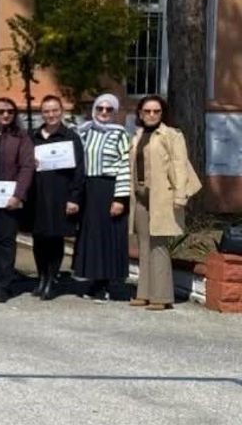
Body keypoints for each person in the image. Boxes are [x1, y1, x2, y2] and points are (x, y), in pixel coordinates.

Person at [129, 95, 202, 311]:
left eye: (156, 111)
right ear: (140, 113)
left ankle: (161, 297)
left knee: (159, 246)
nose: (152, 115)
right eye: (147, 111)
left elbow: (180, 165)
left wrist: (180, 197)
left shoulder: (172, 135)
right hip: (140, 196)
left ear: (162, 113)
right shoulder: (137, 135)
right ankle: (144, 293)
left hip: (162, 197)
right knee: (143, 245)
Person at [72, 94, 132, 302]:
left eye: (109, 109)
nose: (104, 112)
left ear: (114, 112)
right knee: (91, 236)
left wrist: (120, 198)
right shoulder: (84, 131)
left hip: (109, 188)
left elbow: (125, 165)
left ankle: (105, 284)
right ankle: (93, 279)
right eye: (100, 108)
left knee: (107, 236)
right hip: (88, 188)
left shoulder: (120, 134)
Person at [26, 96, 85, 300]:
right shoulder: (33, 136)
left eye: (54, 110)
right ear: (41, 113)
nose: (51, 115)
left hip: (60, 195)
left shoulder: (71, 137)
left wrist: (74, 198)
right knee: (38, 238)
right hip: (37, 195)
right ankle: (41, 278)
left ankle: (51, 280)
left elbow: (79, 170)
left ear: (61, 112)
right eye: (46, 111)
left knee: (55, 238)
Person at [0, 98, 35, 302]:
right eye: (1, 111)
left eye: (10, 112)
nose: (5, 115)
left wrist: (18, 195)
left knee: (6, 240)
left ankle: (4, 285)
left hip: (9, 199)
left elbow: (27, 167)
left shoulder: (21, 137)